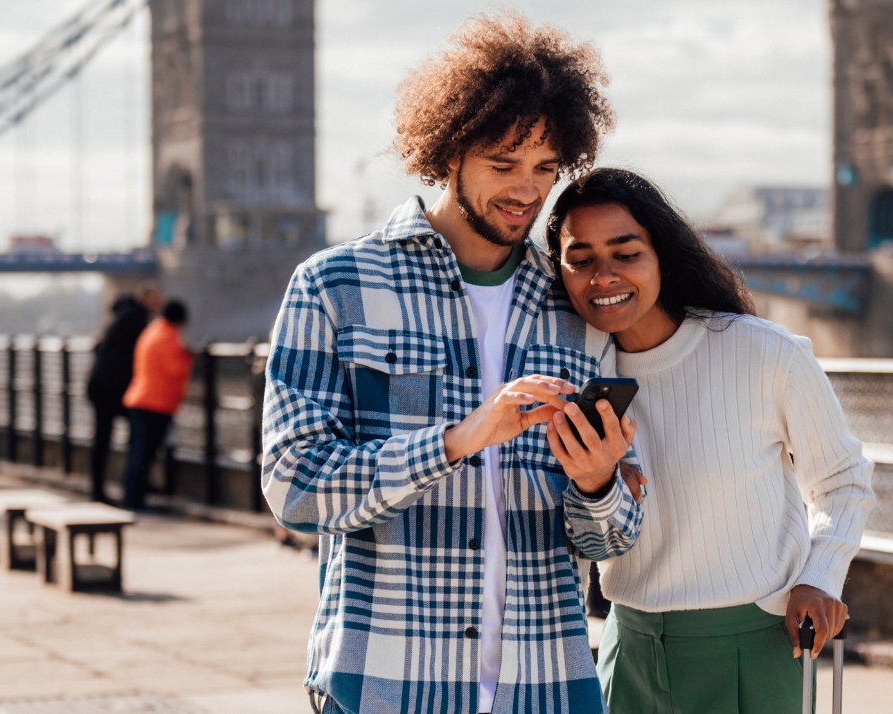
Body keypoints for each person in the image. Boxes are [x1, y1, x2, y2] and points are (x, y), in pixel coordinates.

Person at [261, 12, 645, 714]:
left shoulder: (572, 306)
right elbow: (295, 489)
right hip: (385, 684)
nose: (528, 191)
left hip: (545, 689)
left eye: (545, 169)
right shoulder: (334, 288)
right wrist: (457, 441)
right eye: (504, 165)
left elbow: (610, 539)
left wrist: (597, 486)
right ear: (447, 150)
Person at [544, 168, 875, 714]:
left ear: (662, 258)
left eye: (626, 254)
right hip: (626, 651)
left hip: (754, 652)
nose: (603, 276)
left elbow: (843, 481)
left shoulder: (763, 353)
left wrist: (820, 578)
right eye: (581, 260)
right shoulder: (568, 376)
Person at [86, 286, 160, 502]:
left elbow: (101, 348)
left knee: (106, 439)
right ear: (142, 298)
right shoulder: (135, 319)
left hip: (103, 386)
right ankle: (132, 486)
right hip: (110, 389)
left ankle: (105, 489)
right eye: (154, 300)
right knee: (140, 430)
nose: (157, 306)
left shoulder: (123, 316)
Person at [120, 299, 192, 511]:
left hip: (141, 400)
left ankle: (132, 498)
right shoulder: (167, 337)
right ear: (180, 320)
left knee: (137, 453)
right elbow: (176, 369)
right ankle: (134, 501)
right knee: (143, 454)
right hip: (154, 404)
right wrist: (188, 356)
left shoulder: (153, 330)